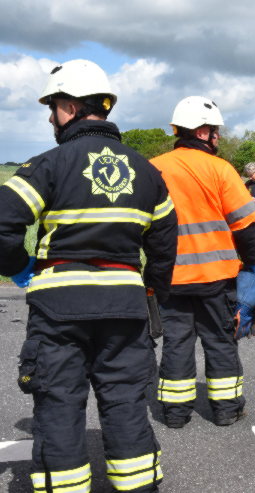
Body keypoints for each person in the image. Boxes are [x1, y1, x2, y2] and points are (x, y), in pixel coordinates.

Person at [0, 59, 177, 492]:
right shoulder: (148, 172)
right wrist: (149, 291)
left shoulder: (49, 164)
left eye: (53, 107)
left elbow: (2, 222)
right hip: (126, 308)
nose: (49, 117)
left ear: (70, 107)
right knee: (127, 404)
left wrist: (20, 268)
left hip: (59, 308)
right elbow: (164, 247)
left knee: (59, 406)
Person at [150, 96, 255, 429]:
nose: (218, 137)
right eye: (215, 131)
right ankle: (226, 410)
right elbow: (245, 226)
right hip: (217, 278)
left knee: (176, 344)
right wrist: (252, 266)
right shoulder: (221, 169)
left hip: (170, 278)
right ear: (201, 132)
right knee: (220, 341)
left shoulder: (153, 168)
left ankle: (175, 414)